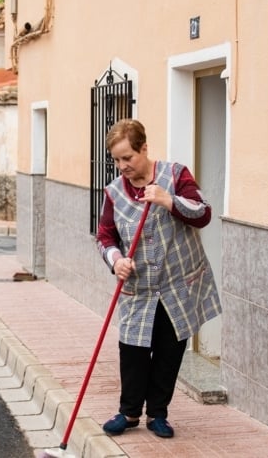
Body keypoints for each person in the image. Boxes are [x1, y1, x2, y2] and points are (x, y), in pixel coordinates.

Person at [95, 118, 222, 439]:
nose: (122, 165)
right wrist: (117, 260)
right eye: (117, 159)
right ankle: (129, 413)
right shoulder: (113, 193)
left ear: (144, 149)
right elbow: (105, 236)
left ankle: (158, 415)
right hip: (139, 288)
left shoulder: (176, 175)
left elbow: (203, 214)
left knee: (169, 350)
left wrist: (168, 200)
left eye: (128, 157)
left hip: (179, 284)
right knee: (133, 350)